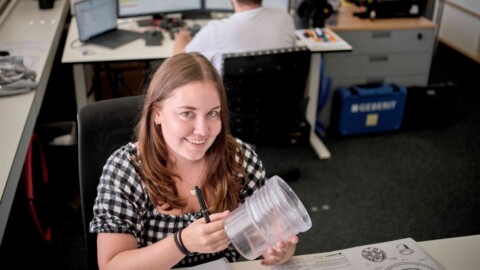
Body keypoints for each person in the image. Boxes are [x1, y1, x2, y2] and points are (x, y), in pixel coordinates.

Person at [89, 52, 298, 270]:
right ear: (156, 114)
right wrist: (183, 242)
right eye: (187, 114)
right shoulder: (125, 170)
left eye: (212, 114)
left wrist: (279, 250)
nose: (202, 131)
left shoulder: (240, 159)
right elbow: (111, 265)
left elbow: (270, 239)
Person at [173, 0, 297, 74]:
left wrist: (182, 38)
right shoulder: (284, 17)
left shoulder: (215, 31)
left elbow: (178, 62)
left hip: (231, 113)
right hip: (280, 108)